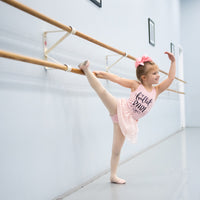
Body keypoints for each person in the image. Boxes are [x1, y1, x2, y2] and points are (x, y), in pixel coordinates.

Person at [78, 52, 176, 184]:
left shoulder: (156, 91)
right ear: (144, 77)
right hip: (120, 108)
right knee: (102, 92)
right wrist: (102, 74)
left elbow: (170, 79)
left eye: (158, 72)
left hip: (127, 122)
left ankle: (113, 175)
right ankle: (86, 70)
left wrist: (173, 62)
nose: (158, 75)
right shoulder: (136, 85)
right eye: (154, 73)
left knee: (116, 150)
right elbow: (118, 79)